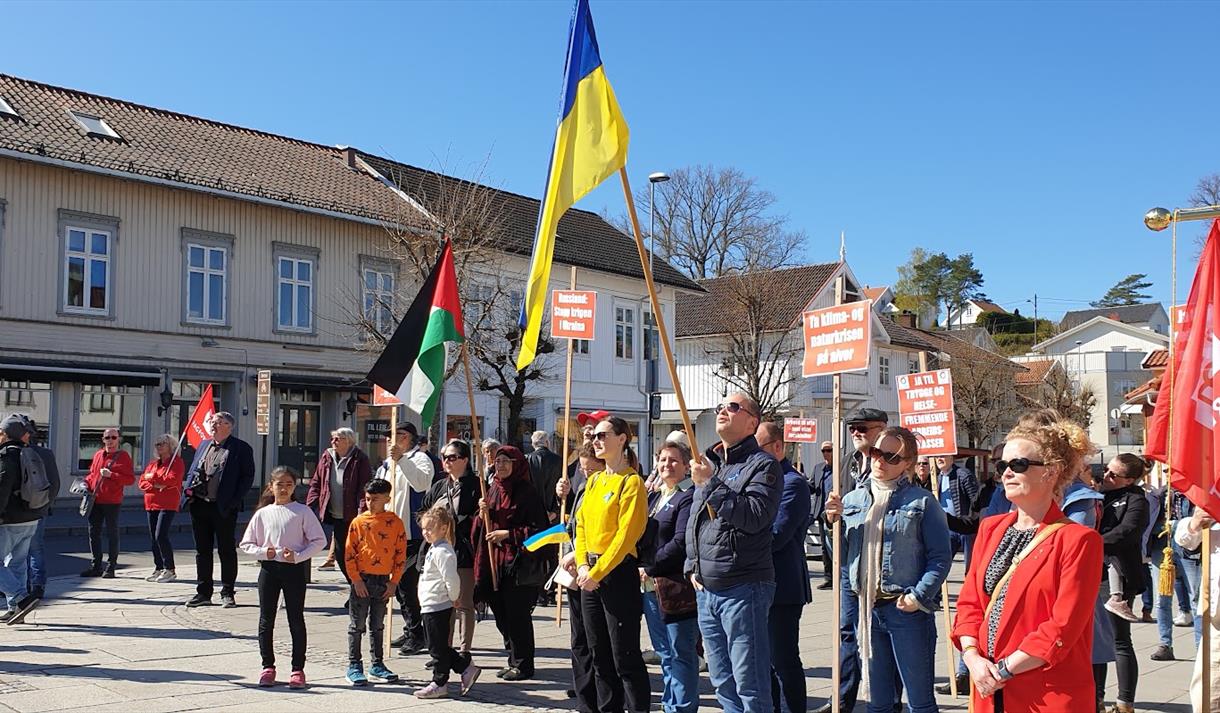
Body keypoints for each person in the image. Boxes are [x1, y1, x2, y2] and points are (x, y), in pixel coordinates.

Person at [951, 410, 1103, 713]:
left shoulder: (1078, 541)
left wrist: (1003, 670)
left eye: (1018, 464)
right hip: (987, 687)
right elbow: (970, 603)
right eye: (1002, 465)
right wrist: (972, 658)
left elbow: (1062, 627)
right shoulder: (991, 528)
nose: (1006, 472)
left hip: (1045, 693)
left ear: (1051, 471)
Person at [824, 427, 951, 713]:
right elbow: (843, 558)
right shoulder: (853, 499)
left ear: (907, 462)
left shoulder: (921, 502)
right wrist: (833, 523)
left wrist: (918, 596)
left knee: (920, 702)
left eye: (891, 457)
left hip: (906, 611)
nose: (880, 461)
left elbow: (941, 557)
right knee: (877, 703)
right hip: (867, 611)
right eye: (875, 453)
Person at [686, 393, 783, 713]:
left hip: (744, 587)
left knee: (749, 683)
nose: (722, 412)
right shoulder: (714, 465)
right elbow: (695, 522)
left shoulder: (763, 465)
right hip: (708, 589)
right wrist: (692, 566)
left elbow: (754, 517)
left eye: (732, 407)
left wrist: (710, 484)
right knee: (722, 680)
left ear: (752, 422)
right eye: (720, 407)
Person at [817, 406, 894, 713]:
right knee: (847, 632)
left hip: (880, 565)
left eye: (863, 427)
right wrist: (830, 515)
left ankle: (887, 701)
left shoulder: (893, 459)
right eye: (852, 428)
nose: (856, 433)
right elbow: (835, 517)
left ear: (882, 427)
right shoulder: (846, 463)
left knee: (881, 637)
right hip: (850, 564)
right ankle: (842, 700)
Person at [573, 416, 650, 712]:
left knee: (624, 656)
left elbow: (626, 534)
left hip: (616, 574)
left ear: (622, 439)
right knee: (599, 655)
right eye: (595, 436)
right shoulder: (593, 481)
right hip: (589, 574)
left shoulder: (631, 482)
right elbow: (580, 527)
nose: (597, 441)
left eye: (603, 435)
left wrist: (597, 571)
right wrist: (582, 565)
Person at [239, 466, 326, 690]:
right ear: (271, 486)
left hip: (293, 570)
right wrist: (264, 552)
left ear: (295, 487)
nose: (284, 488)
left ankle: (298, 669)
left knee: (295, 619)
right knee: (266, 619)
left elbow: (319, 541)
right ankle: (267, 666)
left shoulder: (303, 511)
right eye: (279, 484)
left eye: (289, 484)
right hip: (269, 570)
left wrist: (298, 556)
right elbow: (246, 543)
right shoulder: (263, 513)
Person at [473, 445, 549, 680]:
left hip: (518, 564)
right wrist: (481, 512)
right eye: (498, 461)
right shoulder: (493, 488)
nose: (502, 465)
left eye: (507, 461)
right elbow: (481, 529)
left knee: (518, 616)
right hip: (494, 563)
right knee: (502, 614)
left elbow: (540, 530)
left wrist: (508, 535)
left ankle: (524, 664)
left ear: (517, 465)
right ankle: (512, 658)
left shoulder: (527, 492)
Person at [754, 421, 812, 713]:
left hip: (783, 587)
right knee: (762, 662)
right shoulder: (758, 480)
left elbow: (776, 535)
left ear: (778, 447)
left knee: (783, 660)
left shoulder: (793, 483)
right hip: (756, 584)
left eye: (758, 446)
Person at [642, 440, 698, 713]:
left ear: (686, 466)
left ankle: (683, 707)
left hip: (675, 587)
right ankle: (669, 703)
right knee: (664, 653)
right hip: (650, 589)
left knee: (681, 652)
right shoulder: (654, 496)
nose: (667, 465)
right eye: (663, 460)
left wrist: (649, 566)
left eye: (674, 460)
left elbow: (680, 542)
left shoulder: (687, 496)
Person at [183, 412, 255, 607]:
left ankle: (227, 592)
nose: (213, 425)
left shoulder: (240, 448)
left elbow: (247, 478)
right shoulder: (204, 445)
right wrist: (187, 493)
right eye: (212, 422)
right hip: (199, 505)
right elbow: (193, 471)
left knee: (226, 550)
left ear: (229, 426)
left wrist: (233, 501)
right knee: (202, 551)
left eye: (218, 423)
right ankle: (203, 592)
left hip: (223, 507)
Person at [1096, 454, 1149, 713]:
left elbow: (1127, 532)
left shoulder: (1137, 500)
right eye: (1106, 470)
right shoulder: (1098, 493)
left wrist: (1093, 541)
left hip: (1119, 573)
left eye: (1113, 475)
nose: (1106, 476)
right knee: (1096, 640)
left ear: (1129, 480)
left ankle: (1125, 703)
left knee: (1119, 640)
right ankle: (1096, 699)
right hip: (1094, 572)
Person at [419, 438, 481, 658]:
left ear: (465, 459)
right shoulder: (440, 485)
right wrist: (431, 525)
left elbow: (481, 520)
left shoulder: (477, 486)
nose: (446, 461)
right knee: (443, 604)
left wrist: (481, 513)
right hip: (439, 549)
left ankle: (464, 651)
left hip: (463, 551)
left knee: (463, 602)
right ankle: (443, 650)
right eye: (444, 457)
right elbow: (423, 510)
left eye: (452, 457)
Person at [375, 422, 433, 655]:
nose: (394, 438)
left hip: (412, 533)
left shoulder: (420, 458)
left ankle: (418, 633)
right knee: (397, 587)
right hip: (389, 532)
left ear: (409, 438)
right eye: (391, 434)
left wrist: (402, 460)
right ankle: (412, 628)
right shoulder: (386, 463)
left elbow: (421, 483)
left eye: (399, 434)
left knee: (407, 583)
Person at [414, 505, 482, 699]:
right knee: (436, 645)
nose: (426, 533)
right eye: (424, 529)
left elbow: (451, 578)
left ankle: (440, 681)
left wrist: (454, 598)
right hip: (429, 603)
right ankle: (465, 668)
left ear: (443, 528)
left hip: (439, 604)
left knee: (438, 648)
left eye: (430, 529)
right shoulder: (434, 549)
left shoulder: (444, 551)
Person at [344, 478, 407, 686]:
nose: (370, 503)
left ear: (387, 499)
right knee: (357, 624)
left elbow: (400, 554)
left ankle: (377, 663)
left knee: (377, 624)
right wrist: (355, 580)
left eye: (375, 499)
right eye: (368, 499)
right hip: (362, 578)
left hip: (383, 580)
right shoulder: (358, 522)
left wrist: (394, 582)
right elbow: (349, 553)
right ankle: (354, 664)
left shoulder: (395, 522)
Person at [559, 441, 606, 710]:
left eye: (590, 469)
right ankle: (583, 689)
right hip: (575, 568)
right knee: (578, 638)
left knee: (595, 637)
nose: (586, 473)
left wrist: (581, 557)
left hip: (593, 569)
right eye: (582, 469)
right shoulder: (583, 488)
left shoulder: (603, 488)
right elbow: (574, 525)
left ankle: (600, 690)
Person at [306, 427, 372, 588]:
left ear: (349, 441)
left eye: (338, 438)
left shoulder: (359, 458)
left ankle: (359, 589)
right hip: (334, 514)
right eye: (333, 438)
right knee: (341, 554)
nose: (333, 442)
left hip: (353, 515)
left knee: (354, 554)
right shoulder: (327, 456)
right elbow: (317, 481)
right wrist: (310, 505)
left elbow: (365, 487)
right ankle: (355, 587)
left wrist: (362, 512)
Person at [1173, 507, 1219, 713]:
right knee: (1209, 685)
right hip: (1217, 613)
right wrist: (1195, 522)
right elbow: (1184, 539)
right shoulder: (1214, 497)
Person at [0, 416, 42, 624]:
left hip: (10, 519)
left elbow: (2, 488)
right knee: (16, 563)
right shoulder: (31, 453)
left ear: (5, 434)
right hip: (31, 516)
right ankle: (14, 610)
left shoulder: (7, 456)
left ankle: (21, 599)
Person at [79, 426, 135, 578]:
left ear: (118, 440)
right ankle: (96, 565)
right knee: (93, 533)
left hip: (112, 501)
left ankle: (111, 567)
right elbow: (92, 474)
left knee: (112, 533)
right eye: (107, 438)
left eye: (113, 437)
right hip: (95, 499)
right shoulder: (98, 455)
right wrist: (85, 483)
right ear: (103, 440)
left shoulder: (123, 456)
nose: (110, 441)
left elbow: (130, 479)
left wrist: (112, 475)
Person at [18, 416, 58, 600]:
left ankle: (21, 587)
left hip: (19, 511)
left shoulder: (14, 452)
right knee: (36, 548)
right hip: (40, 508)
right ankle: (38, 585)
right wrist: (45, 504)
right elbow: (55, 484)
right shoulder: (46, 453)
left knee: (18, 551)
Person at [138, 434, 185, 583]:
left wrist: (153, 480)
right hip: (151, 504)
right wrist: (156, 484)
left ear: (170, 445)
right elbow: (142, 482)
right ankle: (158, 567)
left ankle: (169, 568)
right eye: (157, 444)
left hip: (167, 503)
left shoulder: (176, 463)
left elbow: (172, 480)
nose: (158, 446)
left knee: (160, 535)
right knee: (153, 538)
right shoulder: (153, 464)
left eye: (162, 443)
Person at [528, 430, 563, 605]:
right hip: (553, 514)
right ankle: (550, 591)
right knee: (553, 554)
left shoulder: (528, 461)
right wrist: (554, 510)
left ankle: (538, 591)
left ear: (533, 444)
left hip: (534, 514)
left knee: (536, 551)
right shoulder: (558, 461)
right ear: (547, 442)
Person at [937, 455, 980, 566]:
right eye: (937, 456)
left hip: (965, 529)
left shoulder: (963, 474)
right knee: (943, 563)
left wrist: (971, 521)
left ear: (951, 458)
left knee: (970, 566)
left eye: (943, 456)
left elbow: (976, 500)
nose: (939, 459)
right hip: (948, 528)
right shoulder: (937, 478)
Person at [811, 441, 836, 591]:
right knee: (824, 548)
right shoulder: (819, 468)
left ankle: (840, 575)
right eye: (824, 451)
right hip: (821, 513)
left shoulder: (840, 468)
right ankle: (829, 578)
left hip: (835, 513)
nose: (826, 453)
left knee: (836, 546)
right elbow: (812, 487)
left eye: (829, 450)